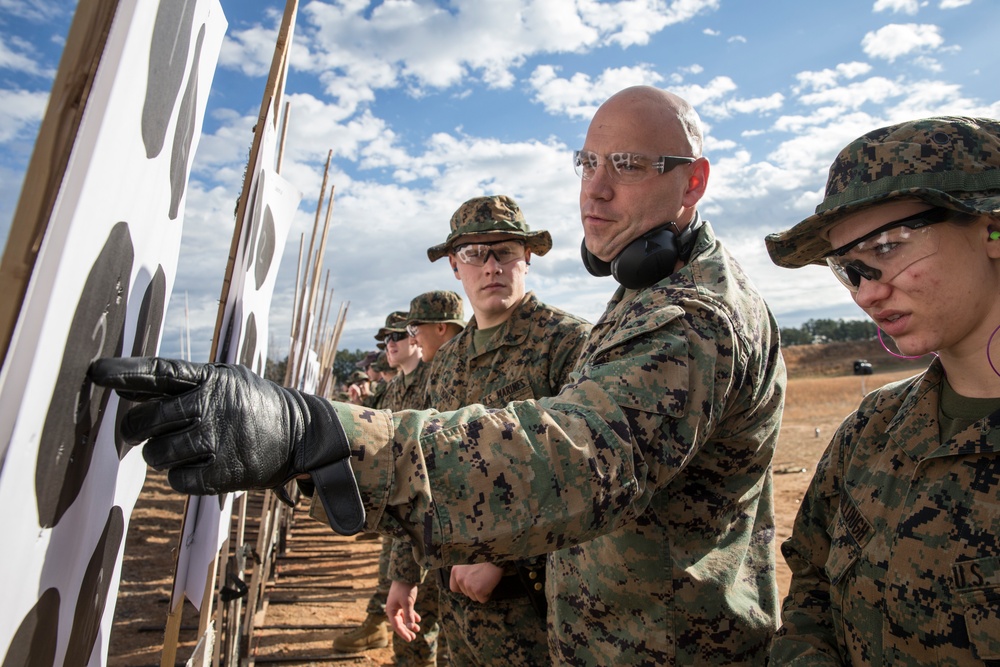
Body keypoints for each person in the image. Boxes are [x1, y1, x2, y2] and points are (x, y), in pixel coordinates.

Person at [90, 85, 786, 665]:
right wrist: (403, 570)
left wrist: (318, 435)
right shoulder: (643, 297)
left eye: (627, 165)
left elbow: (575, 456)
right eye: (587, 162)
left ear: (691, 181)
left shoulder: (694, 317)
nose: (595, 189)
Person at [764, 116, 1000, 665]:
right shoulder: (874, 427)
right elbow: (813, 591)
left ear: (992, 227)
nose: (868, 292)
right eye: (848, 269)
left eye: (889, 246)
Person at [386, 198, 591, 666]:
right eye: (476, 254)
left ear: (528, 258)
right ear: (456, 266)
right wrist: (405, 574)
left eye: (505, 251)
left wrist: (503, 556)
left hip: (540, 611)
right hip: (457, 609)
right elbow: (420, 471)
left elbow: (587, 468)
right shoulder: (447, 364)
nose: (492, 266)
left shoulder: (568, 344)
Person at [332, 309, 431, 658]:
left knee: (422, 605)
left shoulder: (433, 379)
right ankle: (382, 631)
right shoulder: (394, 388)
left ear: (415, 339)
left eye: (396, 337)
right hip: (396, 501)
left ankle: (396, 643)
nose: (389, 345)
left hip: (423, 503)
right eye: (385, 340)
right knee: (392, 572)